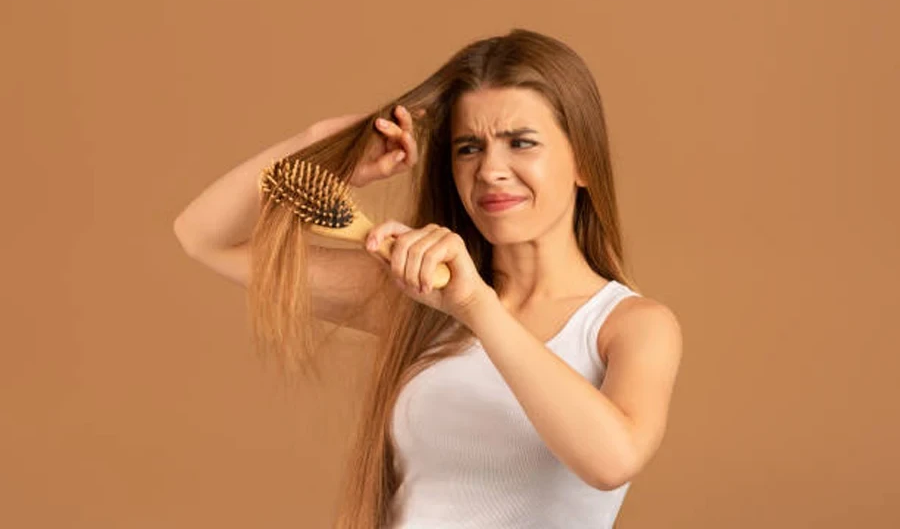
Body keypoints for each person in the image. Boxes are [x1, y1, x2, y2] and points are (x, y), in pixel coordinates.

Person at [174, 28, 683, 529]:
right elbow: (204, 236)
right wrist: (321, 150)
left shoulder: (631, 326)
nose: (490, 170)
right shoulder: (415, 296)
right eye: (468, 148)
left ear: (584, 163)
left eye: (521, 143)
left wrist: (476, 306)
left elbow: (611, 461)